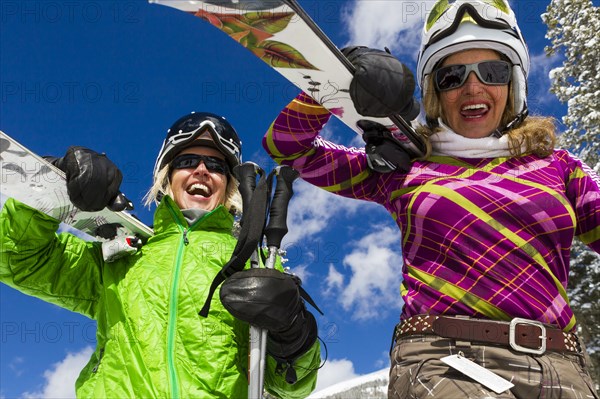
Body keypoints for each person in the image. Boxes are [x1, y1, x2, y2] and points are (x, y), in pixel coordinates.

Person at [262, 0, 599, 398]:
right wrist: (335, 84)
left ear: (514, 83)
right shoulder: (404, 166)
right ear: (435, 91)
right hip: (445, 359)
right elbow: (288, 147)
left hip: (559, 366)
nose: (473, 87)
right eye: (452, 76)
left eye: (492, 72)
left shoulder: (560, 167)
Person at [0, 111, 320, 398]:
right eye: (186, 162)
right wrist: (53, 187)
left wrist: (293, 332)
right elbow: (20, 261)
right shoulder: (122, 259)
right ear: (166, 177)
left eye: (216, 165)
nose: (201, 171)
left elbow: (292, 386)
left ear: (230, 185)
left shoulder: (254, 264)